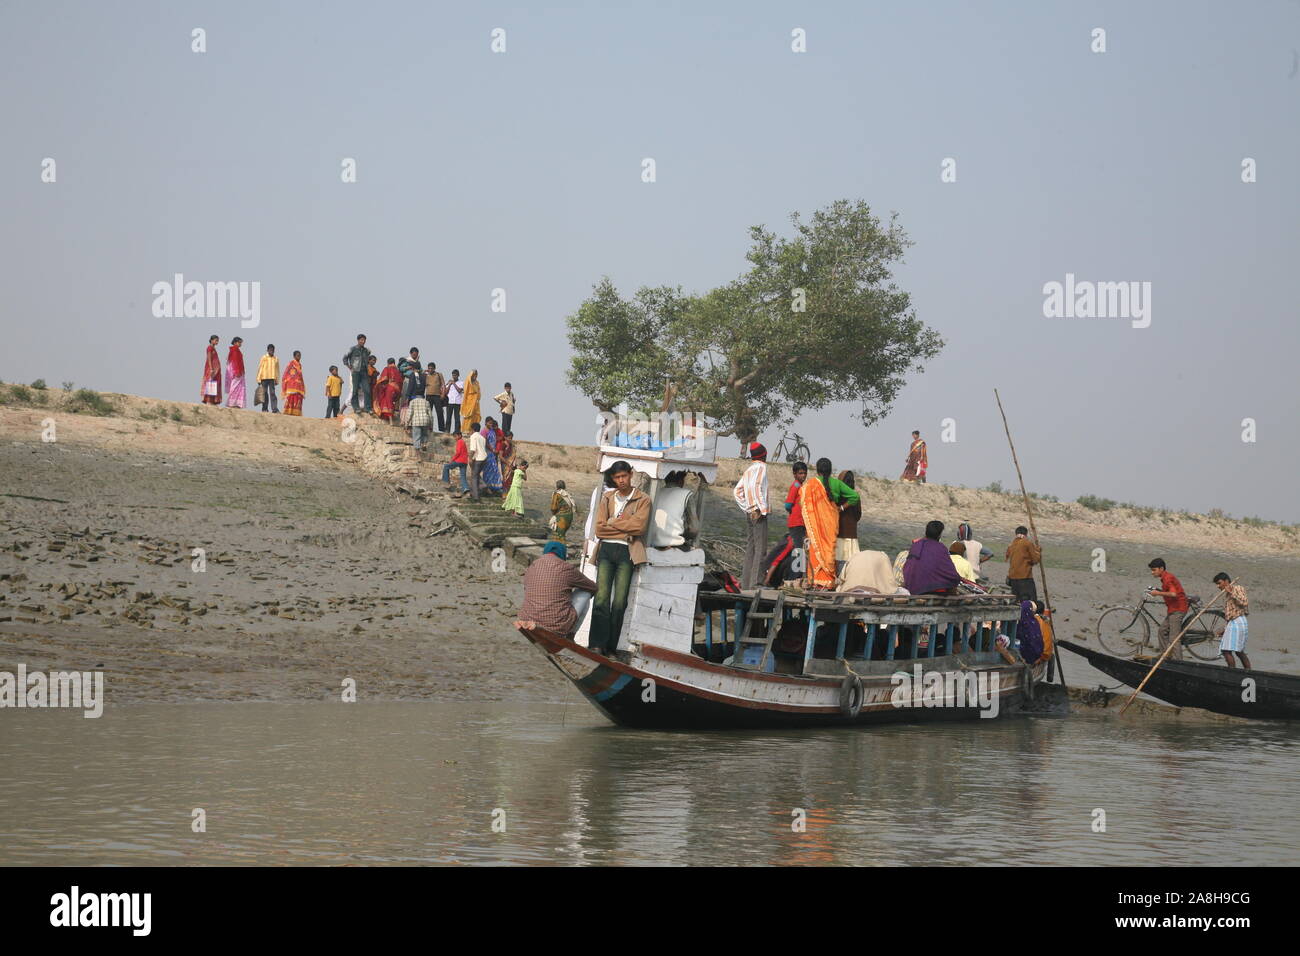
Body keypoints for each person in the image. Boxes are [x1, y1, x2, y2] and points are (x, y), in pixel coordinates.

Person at [589, 461, 651, 655]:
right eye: (617, 477)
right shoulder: (607, 498)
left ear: (631, 474)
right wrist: (624, 529)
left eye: (624, 476)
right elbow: (599, 528)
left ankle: (611, 647)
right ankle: (596, 645)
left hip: (628, 553)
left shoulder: (643, 499)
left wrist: (613, 522)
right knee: (601, 598)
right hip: (606, 551)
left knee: (619, 603)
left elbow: (639, 528)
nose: (621, 480)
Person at [800, 458, 859, 589]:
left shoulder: (810, 484)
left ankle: (815, 580)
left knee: (815, 549)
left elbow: (802, 502)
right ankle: (827, 581)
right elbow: (855, 497)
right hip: (831, 523)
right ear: (831, 470)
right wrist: (841, 507)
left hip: (815, 525)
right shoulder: (837, 483)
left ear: (817, 470)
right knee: (829, 550)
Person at [517, 541, 598, 636]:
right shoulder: (567, 568)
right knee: (585, 592)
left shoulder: (532, 565)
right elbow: (592, 587)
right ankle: (571, 634)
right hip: (556, 626)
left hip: (526, 619)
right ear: (562, 553)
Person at [733, 442, 770, 589]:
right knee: (761, 548)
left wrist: (746, 507)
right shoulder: (762, 467)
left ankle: (747, 583)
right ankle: (756, 583)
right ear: (764, 455)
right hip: (757, 512)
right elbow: (757, 486)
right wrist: (761, 508)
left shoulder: (749, 470)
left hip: (749, 512)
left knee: (751, 548)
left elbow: (737, 491)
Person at [903, 520, 962, 595]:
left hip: (912, 587)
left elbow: (909, 566)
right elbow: (950, 572)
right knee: (954, 579)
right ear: (939, 535)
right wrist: (957, 578)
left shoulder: (916, 545)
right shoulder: (940, 547)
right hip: (930, 589)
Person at [1147, 558, 1188, 661]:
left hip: (1178, 609)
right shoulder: (1165, 578)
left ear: (1161, 568)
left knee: (1174, 638)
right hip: (1172, 609)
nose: (1152, 572)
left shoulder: (1168, 578)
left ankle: (1178, 661)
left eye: (1154, 570)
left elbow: (1173, 593)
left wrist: (1157, 593)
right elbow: (1169, 591)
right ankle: (1166, 656)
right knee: (1162, 631)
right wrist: (1159, 591)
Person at [646, 470, 699, 549]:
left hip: (652, 542)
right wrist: (685, 536)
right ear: (681, 481)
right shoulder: (687, 494)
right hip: (675, 544)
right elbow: (694, 529)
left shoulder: (655, 493)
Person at [1214, 572, 1251, 669]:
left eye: (1219, 583)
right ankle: (1247, 672)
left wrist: (1231, 592)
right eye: (1217, 584)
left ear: (1226, 581)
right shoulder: (1226, 595)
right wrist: (1226, 628)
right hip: (1233, 622)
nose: (1218, 586)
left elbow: (1245, 602)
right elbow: (1230, 614)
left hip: (1239, 621)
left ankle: (1234, 673)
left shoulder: (1237, 588)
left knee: (1228, 650)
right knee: (1237, 651)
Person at [835, 470, 862, 575]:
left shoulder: (839, 496)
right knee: (851, 562)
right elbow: (858, 515)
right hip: (852, 535)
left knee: (838, 561)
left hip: (840, 533)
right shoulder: (855, 496)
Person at [1005, 526, 1041, 602]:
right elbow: (1035, 560)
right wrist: (1038, 552)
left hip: (1012, 578)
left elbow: (1008, 557)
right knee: (1030, 601)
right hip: (1025, 578)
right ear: (1026, 534)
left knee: (1016, 601)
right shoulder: (1027, 543)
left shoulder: (1011, 545)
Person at [342, 334, 372, 414]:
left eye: (364, 340)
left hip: (364, 372)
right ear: (358, 340)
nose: (363, 341)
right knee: (355, 390)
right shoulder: (352, 349)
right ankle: (356, 408)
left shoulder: (366, 350)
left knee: (367, 390)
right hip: (355, 371)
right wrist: (350, 368)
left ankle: (367, 408)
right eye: (361, 340)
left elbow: (367, 359)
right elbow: (345, 358)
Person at [784, 461, 808, 553]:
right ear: (794, 474)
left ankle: (799, 565)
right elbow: (788, 504)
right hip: (795, 522)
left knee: (800, 546)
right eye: (800, 473)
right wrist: (793, 511)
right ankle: (796, 566)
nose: (803, 475)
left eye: (805, 473)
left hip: (800, 522)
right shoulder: (796, 485)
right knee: (797, 547)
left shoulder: (801, 486)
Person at [480, 417, 505, 494]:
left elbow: (496, 439)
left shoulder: (491, 430)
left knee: (494, 470)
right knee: (488, 470)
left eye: (491, 423)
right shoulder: (484, 431)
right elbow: (485, 442)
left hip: (493, 453)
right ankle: (488, 487)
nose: (491, 424)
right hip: (487, 453)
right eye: (489, 423)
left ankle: (495, 487)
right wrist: (492, 449)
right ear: (486, 423)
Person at [442, 429, 470, 495]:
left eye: (455, 436)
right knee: (463, 476)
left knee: (446, 466)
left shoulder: (459, 441)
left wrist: (452, 460)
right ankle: (466, 489)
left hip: (459, 460)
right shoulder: (462, 442)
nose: (454, 438)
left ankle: (446, 482)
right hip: (465, 462)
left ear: (459, 435)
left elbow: (458, 453)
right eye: (454, 436)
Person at [255, 344, 280, 413]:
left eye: (272, 350)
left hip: (272, 378)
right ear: (267, 350)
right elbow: (260, 367)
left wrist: (277, 379)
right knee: (265, 393)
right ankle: (265, 408)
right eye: (270, 350)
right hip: (264, 378)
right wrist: (258, 378)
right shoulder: (264, 357)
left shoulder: (276, 359)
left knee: (273, 393)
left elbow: (277, 370)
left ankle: (274, 409)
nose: (271, 351)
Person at [467, 422, 487, 499]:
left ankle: (475, 496)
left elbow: (473, 449)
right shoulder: (482, 438)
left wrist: (470, 458)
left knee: (474, 477)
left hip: (478, 459)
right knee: (476, 474)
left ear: (472, 429)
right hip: (484, 458)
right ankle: (482, 487)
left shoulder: (473, 436)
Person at [281, 350, 305, 416]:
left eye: (300, 356)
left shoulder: (300, 364)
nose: (299, 357)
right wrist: (286, 380)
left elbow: (300, 375)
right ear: (294, 356)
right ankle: (288, 411)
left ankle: (296, 412)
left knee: (298, 398)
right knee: (290, 397)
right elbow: (287, 372)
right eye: (298, 355)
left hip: (298, 385)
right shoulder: (291, 363)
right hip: (291, 384)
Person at [225, 337, 246, 408]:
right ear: (235, 342)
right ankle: (231, 403)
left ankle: (237, 403)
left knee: (240, 387)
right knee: (234, 387)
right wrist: (237, 371)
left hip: (239, 371)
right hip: (236, 371)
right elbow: (234, 361)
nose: (240, 344)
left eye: (241, 343)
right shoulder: (234, 350)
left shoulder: (236, 350)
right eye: (239, 342)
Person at [425, 362, 446, 432]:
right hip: (428, 395)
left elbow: (443, 384)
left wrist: (443, 394)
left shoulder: (439, 374)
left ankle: (442, 428)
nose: (430, 370)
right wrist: (424, 372)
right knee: (428, 413)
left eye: (431, 368)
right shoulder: (426, 375)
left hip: (437, 396)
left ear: (434, 368)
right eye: (429, 368)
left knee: (439, 412)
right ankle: (428, 428)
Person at [201, 335, 222, 404]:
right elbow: (209, 358)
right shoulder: (209, 348)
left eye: (217, 341)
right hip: (211, 369)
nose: (217, 342)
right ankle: (208, 400)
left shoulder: (213, 348)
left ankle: (213, 401)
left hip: (216, 370)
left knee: (214, 385)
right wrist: (211, 368)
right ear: (212, 340)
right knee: (210, 384)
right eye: (216, 340)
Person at [445, 370, 464, 434]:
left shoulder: (461, 382)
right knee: (448, 418)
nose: (454, 376)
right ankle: (447, 431)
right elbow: (446, 392)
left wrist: (454, 383)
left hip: (457, 403)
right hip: (449, 402)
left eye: (455, 375)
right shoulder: (449, 383)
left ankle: (457, 432)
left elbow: (459, 390)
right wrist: (449, 384)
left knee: (457, 419)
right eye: (453, 375)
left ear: (458, 375)